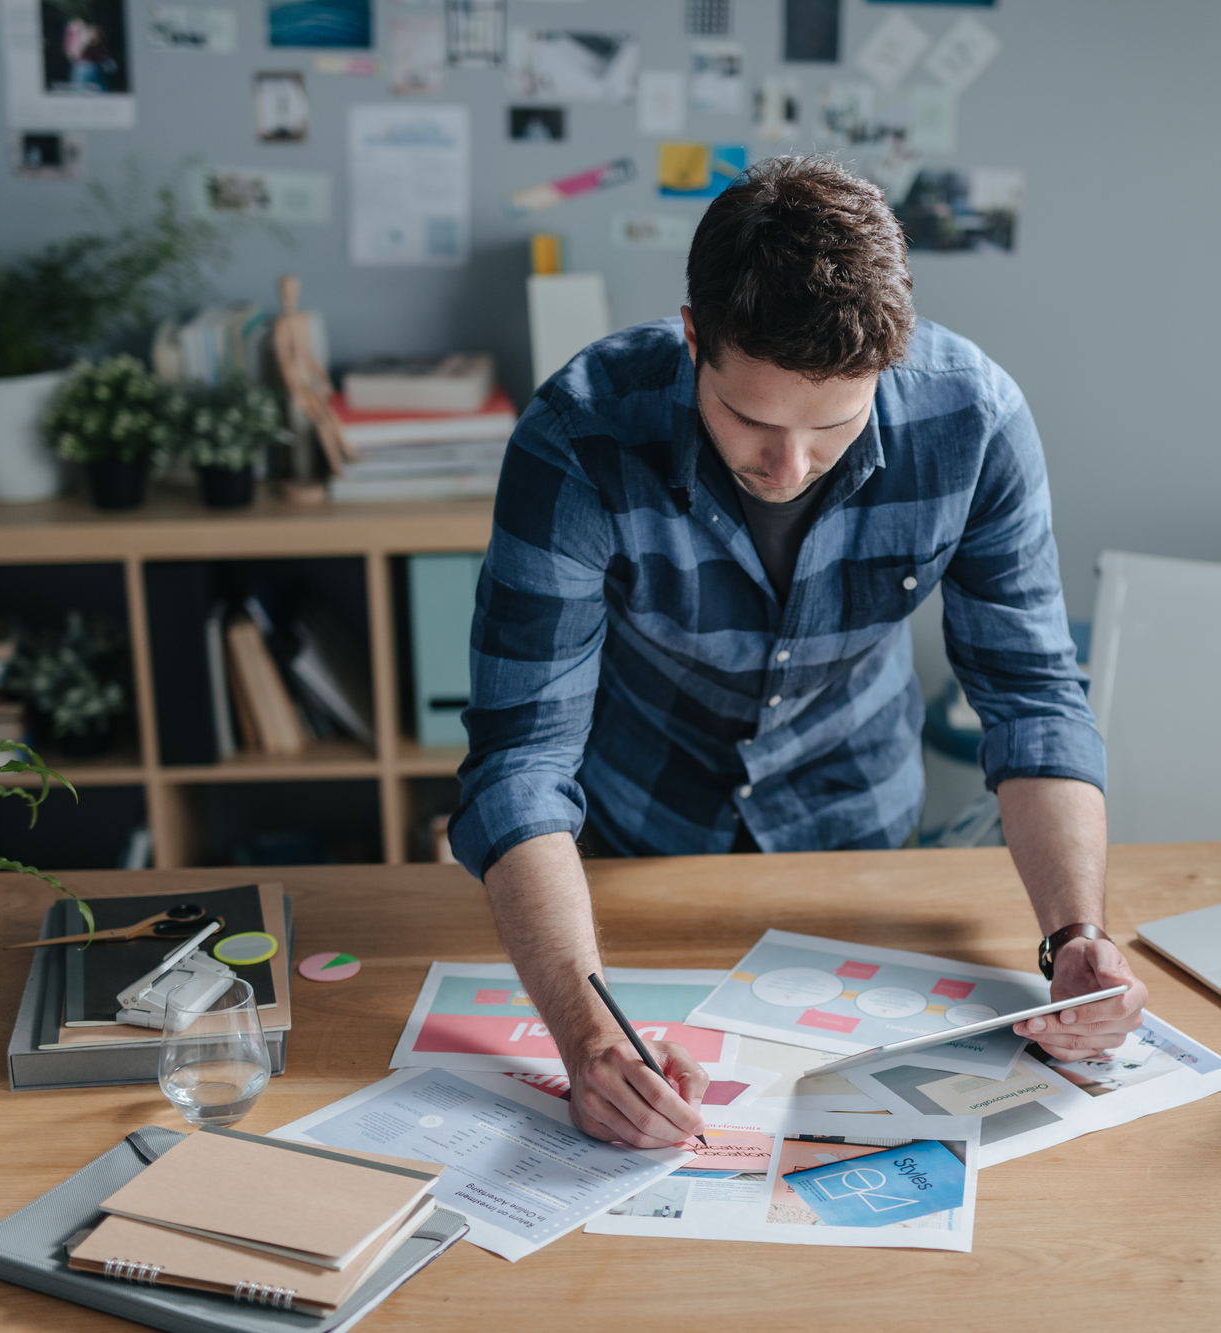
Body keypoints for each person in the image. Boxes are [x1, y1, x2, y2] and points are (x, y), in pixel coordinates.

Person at [450, 155, 1148, 1149]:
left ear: (890, 364)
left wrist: (1075, 936)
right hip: (631, 845)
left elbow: (1031, 700)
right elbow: (518, 757)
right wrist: (583, 1031)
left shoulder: (974, 422)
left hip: (853, 835)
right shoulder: (578, 438)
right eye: (748, 419)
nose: (786, 467)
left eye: (831, 425)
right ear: (694, 337)